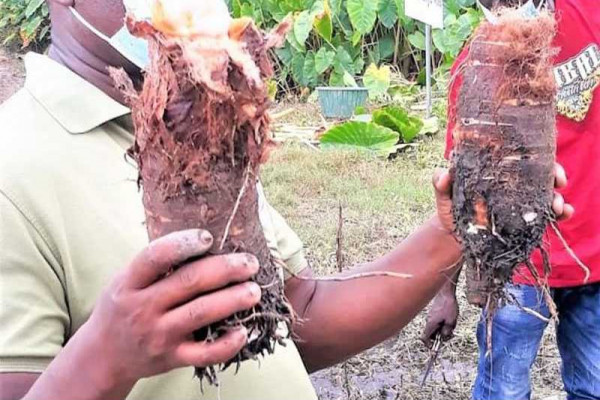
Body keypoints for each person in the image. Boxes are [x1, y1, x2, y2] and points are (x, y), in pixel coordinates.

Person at [0, 1, 569, 400]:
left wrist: (455, 230)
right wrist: (108, 354)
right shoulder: (14, 164)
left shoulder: (200, 124)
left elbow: (302, 317)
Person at [422, 0, 600, 399]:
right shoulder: (473, 65)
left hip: (596, 264)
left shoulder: (592, 14)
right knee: (503, 390)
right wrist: (444, 291)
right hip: (516, 268)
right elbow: (460, 190)